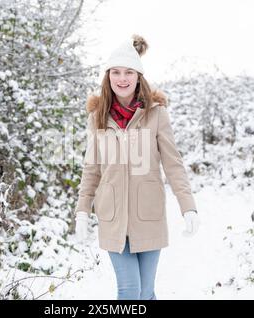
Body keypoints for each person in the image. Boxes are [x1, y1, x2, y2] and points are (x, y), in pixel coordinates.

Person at [73, 34, 200, 300]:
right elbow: (92, 168)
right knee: (130, 291)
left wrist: (187, 206)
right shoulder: (97, 117)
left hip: (148, 215)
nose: (122, 78)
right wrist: (82, 211)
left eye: (128, 72)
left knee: (146, 292)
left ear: (138, 76)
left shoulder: (156, 114)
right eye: (116, 72)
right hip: (113, 216)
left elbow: (173, 163)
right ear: (108, 76)